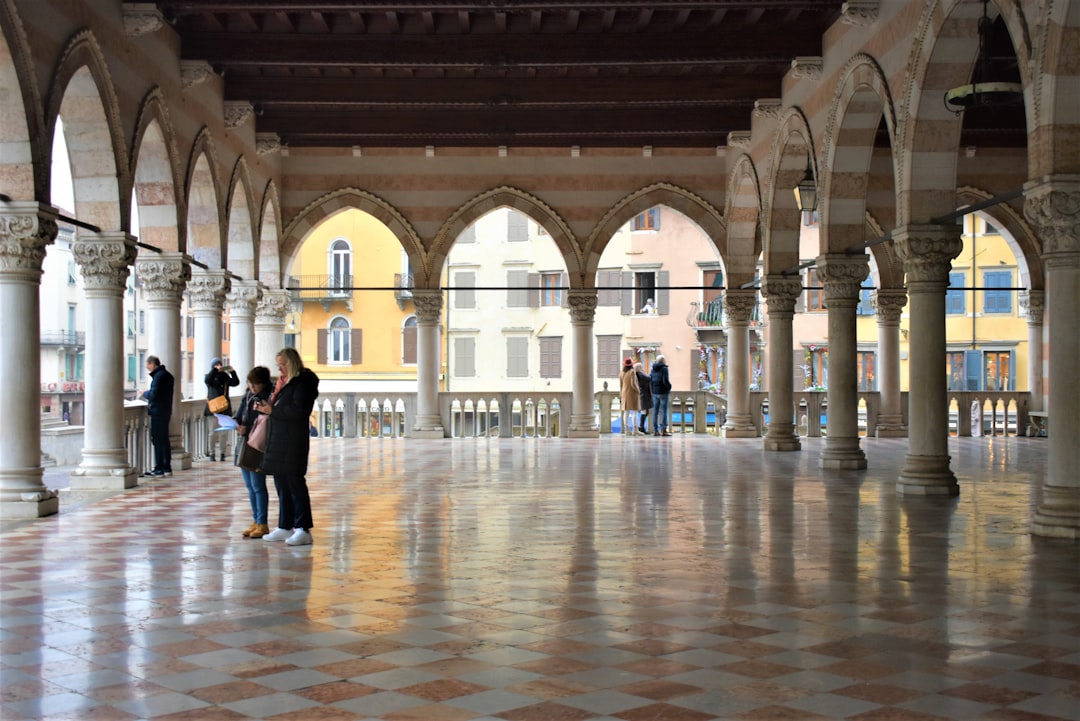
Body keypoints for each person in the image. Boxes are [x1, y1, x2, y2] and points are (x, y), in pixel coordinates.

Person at [259, 348, 320, 547]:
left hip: (293, 442)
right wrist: (267, 409)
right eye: (278, 365)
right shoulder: (283, 384)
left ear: (293, 363)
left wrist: (272, 410)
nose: (280, 368)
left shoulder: (302, 383)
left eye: (283, 364)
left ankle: (303, 528)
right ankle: (285, 526)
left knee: (295, 484)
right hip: (278, 441)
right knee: (281, 485)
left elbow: (299, 411)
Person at [234, 366, 272, 539]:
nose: (252, 387)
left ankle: (262, 522)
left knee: (258, 485)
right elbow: (241, 414)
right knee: (249, 486)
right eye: (250, 384)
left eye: (255, 384)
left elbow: (261, 423)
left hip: (257, 445)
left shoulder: (266, 399)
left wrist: (246, 428)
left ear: (263, 384)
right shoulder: (248, 396)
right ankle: (256, 520)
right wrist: (236, 423)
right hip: (244, 443)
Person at [142, 355, 174, 476]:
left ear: (152, 364)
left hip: (158, 412)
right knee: (164, 439)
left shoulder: (159, 377)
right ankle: (166, 467)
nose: (147, 368)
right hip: (165, 411)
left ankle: (159, 467)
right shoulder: (168, 375)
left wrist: (145, 393)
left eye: (147, 365)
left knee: (158, 439)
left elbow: (154, 394)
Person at [204, 357, 240, 461]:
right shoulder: (209, 377)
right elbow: (207, 380)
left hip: (224, 408)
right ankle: (212, 453)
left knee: (224, 433)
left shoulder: (225, 376)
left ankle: (222, 453)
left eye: (220, 364)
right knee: (212, 433)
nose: (219, 366)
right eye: (216, 365)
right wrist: (215, 370)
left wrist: (232, 372)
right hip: (213, 409)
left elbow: (235, 382)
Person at [650, 354, 672, 436]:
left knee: (655, 412)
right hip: (663, 392)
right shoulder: (664, 369)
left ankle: (655, 431)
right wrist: (669, 387)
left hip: (655, 392)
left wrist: (653, 390)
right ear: (663, 361)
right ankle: (663, 430)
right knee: (664, 411)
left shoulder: (653, 369)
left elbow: (651, 381)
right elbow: (665, 380)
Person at [619, 357, 641, 436]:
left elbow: (621, 385)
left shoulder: (621, 372)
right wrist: (638, 391)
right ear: (631, 364)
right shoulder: (632, 372)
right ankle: (635, 430)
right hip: (633, 393)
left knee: (626, 412)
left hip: (624, 393)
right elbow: (633, 384)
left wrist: (621, 394)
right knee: (635, 412)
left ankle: (627, 430)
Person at [635, 362, 653, 435]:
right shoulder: (640, 374)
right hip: (643, 395)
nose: (643, 367)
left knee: (645, 412)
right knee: (644, 412)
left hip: (643, 395)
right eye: (641, 366)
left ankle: (641, 427)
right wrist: (651, 371)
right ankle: (641, 427)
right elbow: (649, 378)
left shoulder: (638, 374)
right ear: (639, 368)